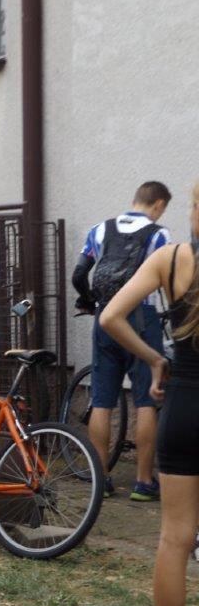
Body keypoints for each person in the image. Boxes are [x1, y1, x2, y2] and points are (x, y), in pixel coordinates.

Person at [99, 180, 199, 606]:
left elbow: (110, 316)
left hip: (183, 407)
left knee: (175, 537)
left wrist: (156, 359)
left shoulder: (172, 258)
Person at [72, 181, 172, 501]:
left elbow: (79, 274)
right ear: (158, 204)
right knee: (146, 401)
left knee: (102, 400)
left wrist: (90, 300)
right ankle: (143, 482)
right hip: (142, 318)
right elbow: (166, 280)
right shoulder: (159, 234)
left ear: (135, 199)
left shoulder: (99, 229)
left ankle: (100, 479)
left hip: (105, 318)